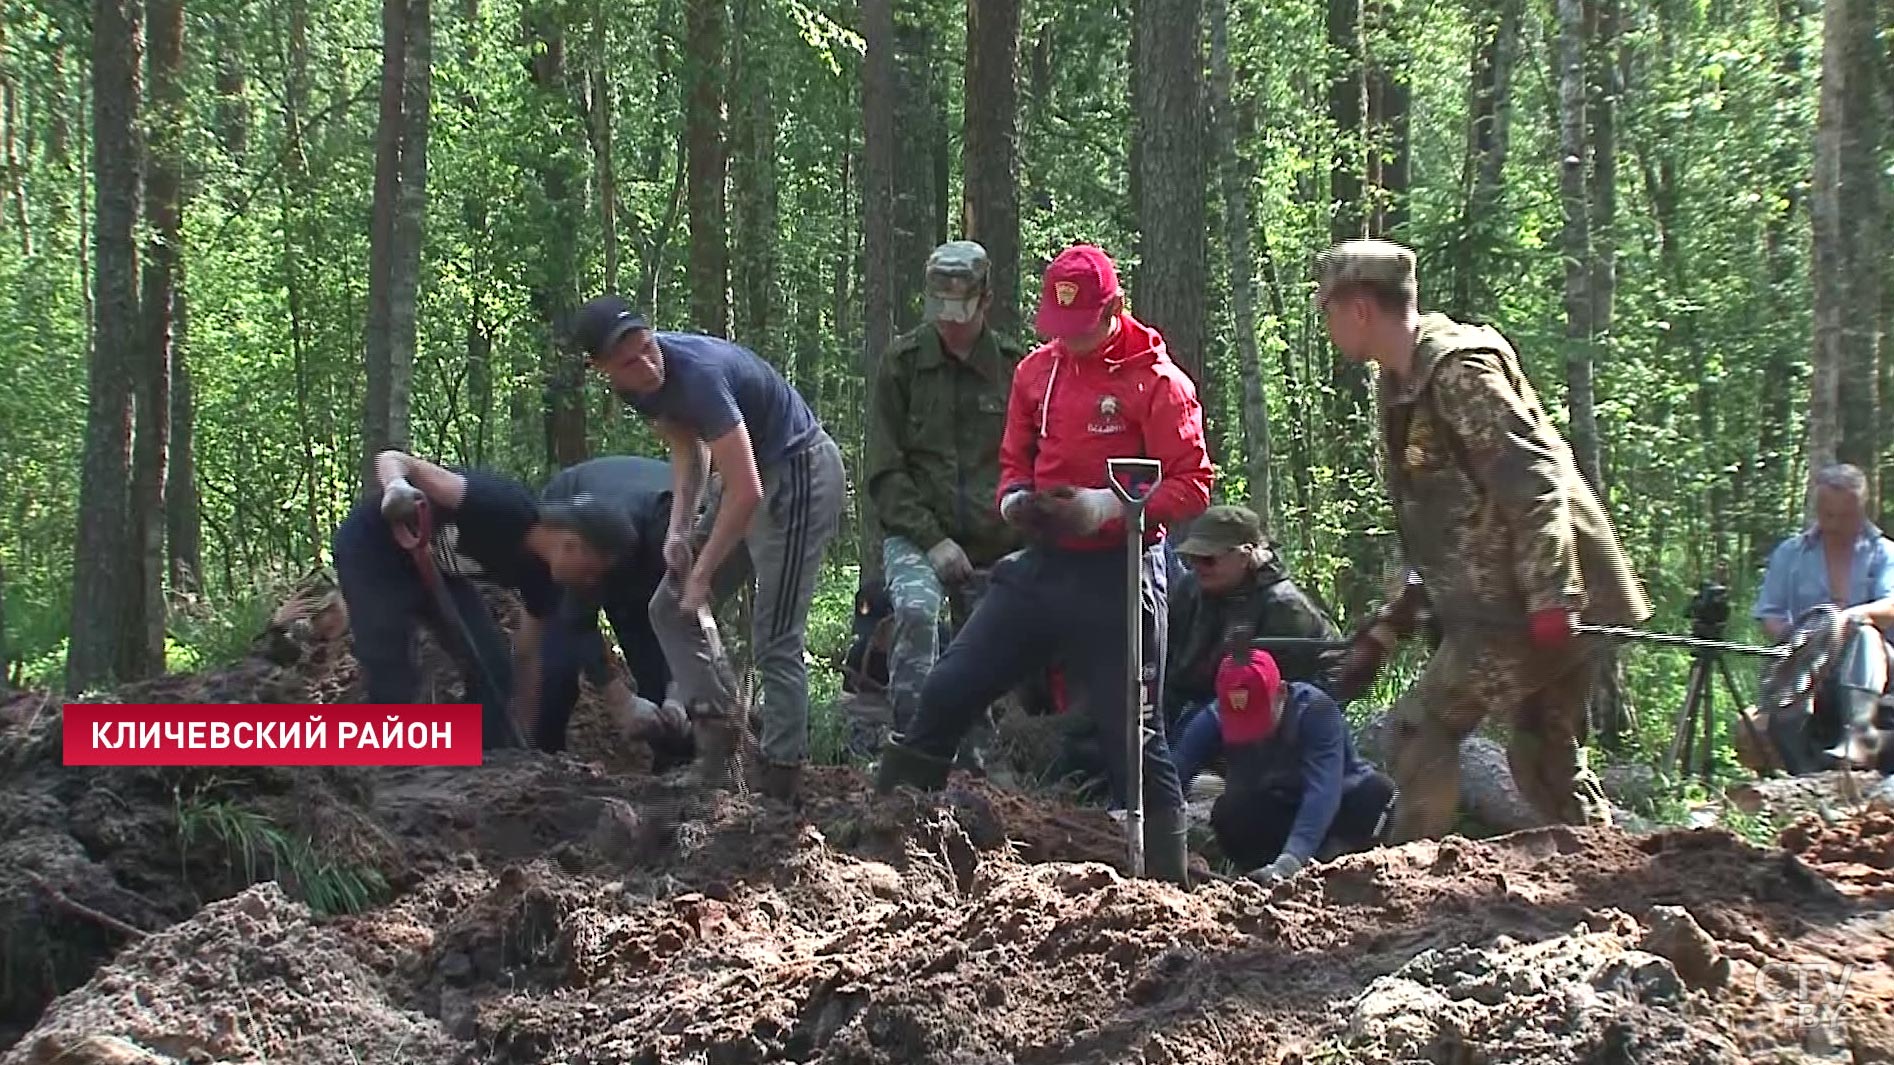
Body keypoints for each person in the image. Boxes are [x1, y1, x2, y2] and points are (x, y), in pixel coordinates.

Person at [873, 243, 1215, 887]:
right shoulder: (1036, 373)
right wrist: (1016, 502)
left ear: (1112, 309)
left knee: (1134, 736)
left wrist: (1108, 507)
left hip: (1122, 572)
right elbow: (1013, 460)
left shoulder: (1158, 383)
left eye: (1081, 328)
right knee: (950, 686)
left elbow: (1192, 483)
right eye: (1059, 330)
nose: (1070, 342)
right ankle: (883, 839)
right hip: (1042, 564)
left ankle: (1167, 889)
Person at [1314, 238, 1652, 843]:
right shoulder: (1401, 384)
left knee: (1423, 724)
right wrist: (1391, 624)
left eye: (1328, 308)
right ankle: (1610, 871)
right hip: (1513, 600)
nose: (1326, 321)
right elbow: (1435, 523)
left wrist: (1554, 596)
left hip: (1540, 601)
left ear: (1360, 308)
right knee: (1544, 754)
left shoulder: (1457, 371)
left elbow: (1536, 481)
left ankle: (1413, 875)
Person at [570, 296, 846, 804]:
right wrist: (680, 530)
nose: (648, 364)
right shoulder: (640, 390)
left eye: (649, 348)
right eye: (629, 361)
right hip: (748, 476)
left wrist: (704, 575)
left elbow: (747, 490)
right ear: (602, 369)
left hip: (799, 472)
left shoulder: (697, 375)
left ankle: (781, 781)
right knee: (668, 609)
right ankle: (720, 748)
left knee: (775, 636)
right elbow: (688, 450)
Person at [865, 240, 1029, 765]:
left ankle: (983, 765)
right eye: (942, 310)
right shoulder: (903, 364)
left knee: (988, 643)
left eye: (962, 310)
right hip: (919, 533)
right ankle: (914, 753)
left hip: (997, 541)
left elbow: (1038, 462)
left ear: (985, 302)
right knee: (916, 612)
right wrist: (933, 541)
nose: (951, 324)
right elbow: (886, 471)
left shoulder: (1016, 369)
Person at [331, 449, 573, 749]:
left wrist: (526, 730)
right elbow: (393, 458)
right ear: (570, 540)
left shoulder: (547, 579)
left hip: (437, 570)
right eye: (591, 564)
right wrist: (396, 488)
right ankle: (388, 767)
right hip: (372, 553)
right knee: (391, 668)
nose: (588, 579)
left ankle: (482, 755)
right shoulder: (502, 506)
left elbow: (529, 655)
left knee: (493, 664)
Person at [1173, 649, 1394, 883]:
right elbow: (1175, 772)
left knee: (1380, 793)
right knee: (1230, 813)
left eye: (1257, 718)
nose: (1252, 734)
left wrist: (1289, 861)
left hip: (1341, 805)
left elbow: (1322, 793)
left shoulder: (1315, 710)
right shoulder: (1214, 717)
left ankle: (1344, 870)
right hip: (1281, 807)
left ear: (1281, 693)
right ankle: (1261, 877)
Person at [533, 455, 692, 762]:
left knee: (663, 685)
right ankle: (544, 760)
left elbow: (685, 620)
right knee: (558, 666)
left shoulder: (681, 539)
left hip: (647, 536)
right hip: (577, 515)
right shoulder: (581, 549)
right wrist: (619, 701)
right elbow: (577, 622)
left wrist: (678, 690)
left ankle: (673, 779)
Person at [1752, 462, 1894, 769]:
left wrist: (1846, 620)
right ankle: (1805, 772)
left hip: (1878, 664)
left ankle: (1859, 734)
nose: (1836, 524)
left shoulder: (1884, 553)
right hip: (1808, 655)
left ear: (1861, 508)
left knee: (1864, 633)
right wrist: (1801, 641)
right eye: (1829, 514)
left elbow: (1891, 605)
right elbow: (1770, 613)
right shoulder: (1790, 553)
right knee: (1793, 674)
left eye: (1846, 515)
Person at [1164, 504, 1344, 733]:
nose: (1198, 567)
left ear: (1244, 555)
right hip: (1211, 698)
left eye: (1208, 559)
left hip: (1282, 709)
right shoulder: (1191, 588)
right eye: (1192, 558)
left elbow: (1277, 691)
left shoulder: (1284, 607)